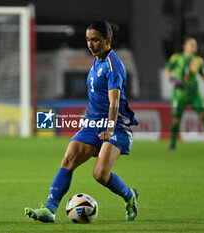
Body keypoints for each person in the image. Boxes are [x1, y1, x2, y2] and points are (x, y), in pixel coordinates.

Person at [25, 21, 139, 223]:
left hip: (115, 126)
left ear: (108, 40)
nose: (90, 44)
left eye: (95, 40)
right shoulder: (97, 60)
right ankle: (50, 210)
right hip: (92, 123)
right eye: (88, 40)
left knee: (100, 175)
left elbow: (114, 101)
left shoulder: (114, 65)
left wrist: (110, 128)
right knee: (68, 158)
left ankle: (129, 196)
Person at [164, 37, 204, 153]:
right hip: (179, 94)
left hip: (194, 94)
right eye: (191, 44)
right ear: (185, 46)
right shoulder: (177, 58)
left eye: (195, 44)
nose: (194, 46)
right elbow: (167, 70)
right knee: (176, 121)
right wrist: (173, 80)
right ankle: (172, 145)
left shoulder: (198, 61)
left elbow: (203, 74)